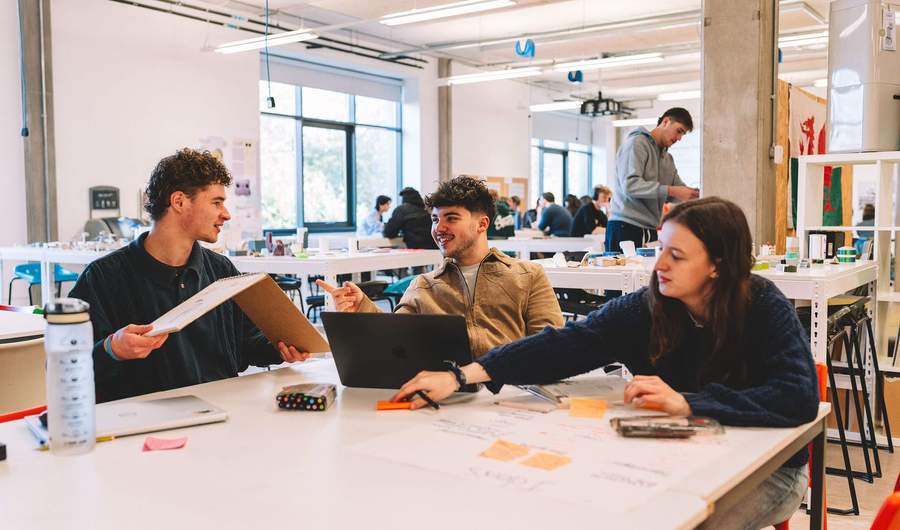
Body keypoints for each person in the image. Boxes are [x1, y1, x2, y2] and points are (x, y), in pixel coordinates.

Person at [394, 197, 819, 529]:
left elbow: (798, 398)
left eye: (678, 255)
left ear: (717, 266)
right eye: (661, 249)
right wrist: (459, 375)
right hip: (680, 456)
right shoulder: (650, 306)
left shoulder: (761, 304)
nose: (661, 265)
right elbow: (565, 344)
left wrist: (690, 403)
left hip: (768, 471)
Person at [70, 148, 309, 403]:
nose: (226, 214)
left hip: (224, 413)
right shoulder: (103, 278)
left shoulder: (221, 271)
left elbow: (248, 344)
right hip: (148, 426)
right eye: (216, 202)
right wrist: (112, 349)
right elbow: (69, 367)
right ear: (179, 201)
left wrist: (285, 347)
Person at [318, 176, 563, 358]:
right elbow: (393, 342)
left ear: (482, 224)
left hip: (508, 394)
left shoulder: (528, 276)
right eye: (435, 219)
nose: (439, 228)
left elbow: (552, 349)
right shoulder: (424, 285)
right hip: (444, 395)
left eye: (451, 218)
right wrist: (361, 306)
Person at [607, 107, 700, 253]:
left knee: (649, 275)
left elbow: (678, 190)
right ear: (666, 121)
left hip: (650, 230)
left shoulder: (667, 159)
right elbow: (630, 185)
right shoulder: (636, 144)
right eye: (679, 130)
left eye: (683, 134)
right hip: (625, 227)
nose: (679, 138)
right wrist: (671, 190)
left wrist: (697, 195)